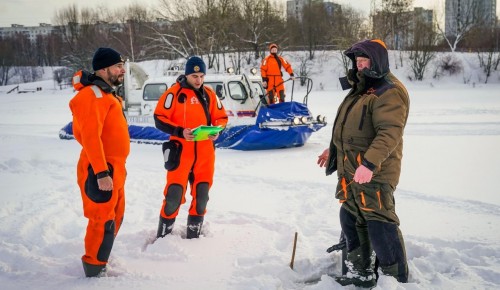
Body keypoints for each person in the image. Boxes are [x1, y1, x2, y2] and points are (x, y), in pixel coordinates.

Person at [317, 39, 410, 288]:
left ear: (377, 61)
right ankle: (360, 274)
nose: (359, 66)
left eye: (364, 61)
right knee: (350, 218)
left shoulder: (389, 90)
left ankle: (396, 281)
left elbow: (389, 133)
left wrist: (368, 165)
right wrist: (334, 148)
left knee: (379, 223)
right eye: (356, 62)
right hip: (351, 170)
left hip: (374, 172)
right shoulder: (362, 88)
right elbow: (349, 126)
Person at [69, 47, 129, 277]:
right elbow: (90, 138)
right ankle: (94, 270)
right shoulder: (92, 95)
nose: (122, 70)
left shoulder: (107, 95)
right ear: (103, 70)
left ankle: (101, 260)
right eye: (118, 66)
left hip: (115, 168)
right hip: (100, 168)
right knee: (102, 220)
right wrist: (101, 173)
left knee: (116, 216)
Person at [154, 56, 228, 239]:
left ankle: (194, 238)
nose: (199, 80)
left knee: (202, 197)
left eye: (201, 76)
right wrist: (179, 132)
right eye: (195, 76)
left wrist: (217, 131)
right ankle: (163, 237)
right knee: (173, 197)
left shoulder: (210, 94)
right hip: (180, 154)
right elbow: (159, 118)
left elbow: (221, 117)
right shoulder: (173, 93)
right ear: (187, 75)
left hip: (204, 155)